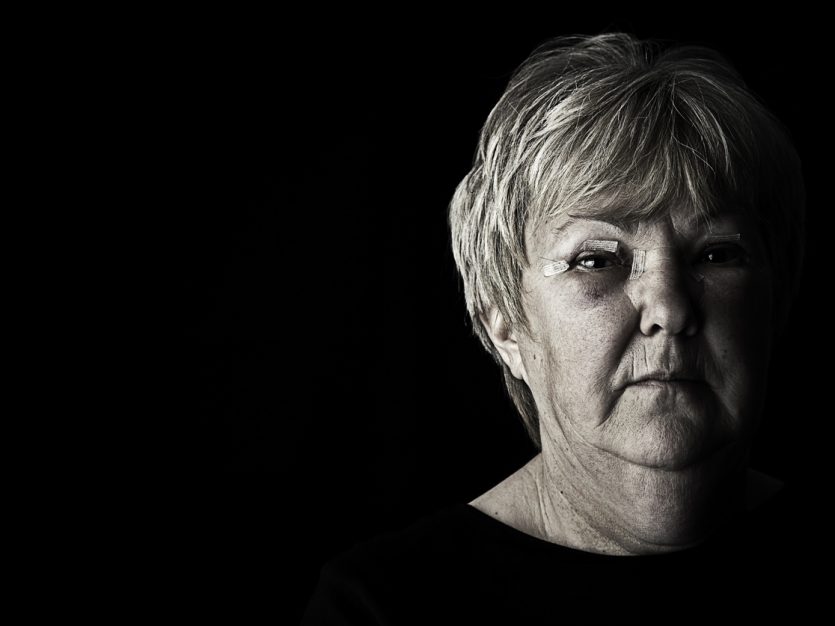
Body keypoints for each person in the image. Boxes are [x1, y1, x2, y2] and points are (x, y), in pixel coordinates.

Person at [302, 33, 811, 623]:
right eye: (597, 260)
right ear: (504, 324)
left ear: (776, 300)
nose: (669, 309)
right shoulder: (379, 612)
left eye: (717, 255)